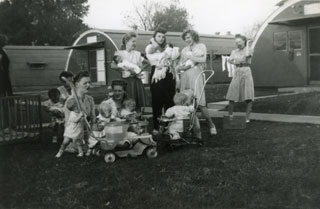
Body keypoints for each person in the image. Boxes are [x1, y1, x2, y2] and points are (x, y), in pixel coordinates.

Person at [177, 29, 217, 135]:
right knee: (185, 100)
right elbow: (181, 63)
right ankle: (188, 126)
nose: (187, 39)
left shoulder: (201, 46)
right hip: (185, 76)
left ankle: (211, 124)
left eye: (189, 37)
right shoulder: (184, 49)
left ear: (194, 37)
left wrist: (191, 57)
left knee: (199, 101)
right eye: (185, 38)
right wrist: (180, 66)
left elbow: (203, 60)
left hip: (196, 75)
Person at [145, 27, 176, 135]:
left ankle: (168, 127)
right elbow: (153, 50)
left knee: (169, 101)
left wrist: (167, 52)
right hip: (156, 74)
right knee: (157, 102)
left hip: (168, 74)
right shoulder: (150, 46)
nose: (162, 38)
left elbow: (172, 57)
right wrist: (165, 51)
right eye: (159, 36)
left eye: (163, 36)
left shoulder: (168, 47)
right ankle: (156, 127)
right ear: (153, 37)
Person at [58, 70, 96, 155]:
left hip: (89, 135)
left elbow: (93, 119)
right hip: (75, 136)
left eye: (89, 83)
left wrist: (93, 133)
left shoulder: (90, 99)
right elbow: (69, 124)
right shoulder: (70, 102)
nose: (88, 85)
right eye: (85, 83)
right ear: (77, 84)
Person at [114, 32, 147, 111]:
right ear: (126, 41)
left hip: (136, 81)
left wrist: (138, 71)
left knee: (138, 103)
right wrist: (125, 70)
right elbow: (113, 65)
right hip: (125, 81)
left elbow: (148, 62)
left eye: (135, 41)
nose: (135, 43)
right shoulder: (119, 53)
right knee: (126, 102)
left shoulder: (138, 54)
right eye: (133, 41)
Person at [226, 34, 254, 123]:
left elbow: (247, 56)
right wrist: (231, 61)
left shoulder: (249, 49)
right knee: (232, 93)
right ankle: (230, 116)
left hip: (246, 71)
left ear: (244, 41)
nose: (238, 43)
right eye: (236, 42)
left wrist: (248, 45)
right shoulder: (234, 51)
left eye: (240, 41)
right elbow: (229, 59)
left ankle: (247, 117)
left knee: (248, 95)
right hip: (237, 71)